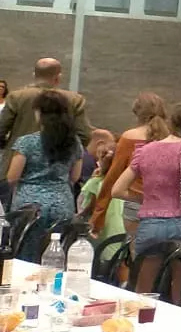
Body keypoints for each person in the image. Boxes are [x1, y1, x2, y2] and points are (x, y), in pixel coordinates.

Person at [114, 102, 181, 250]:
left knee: (147, 272)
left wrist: (148, 199)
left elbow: (117, 190)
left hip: (151, 223)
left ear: (171, 124)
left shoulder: (144, 150)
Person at [91, 92, 166, 237]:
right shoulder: (171, 138)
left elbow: (112, 178)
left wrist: (98, 217)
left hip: (136, 201)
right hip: (167, 205)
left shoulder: (130, 137)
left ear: (136, 112)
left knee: (135, 253)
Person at [5, 89, 85, 223]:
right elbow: (75, 177)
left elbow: (12, 178)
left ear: (39, 113)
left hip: (29, 206)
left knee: (28, 243)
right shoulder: (74, 142)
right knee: (56, 243)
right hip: (62, 202)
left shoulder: (26, 142)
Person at [0, 58, 92, 162]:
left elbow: (1, 129)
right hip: (57, 163)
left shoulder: (16, 97)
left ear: (34, 75)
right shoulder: (74, 100)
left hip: (17, 162)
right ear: (58, 77)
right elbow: (84, 135)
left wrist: (9, 147)